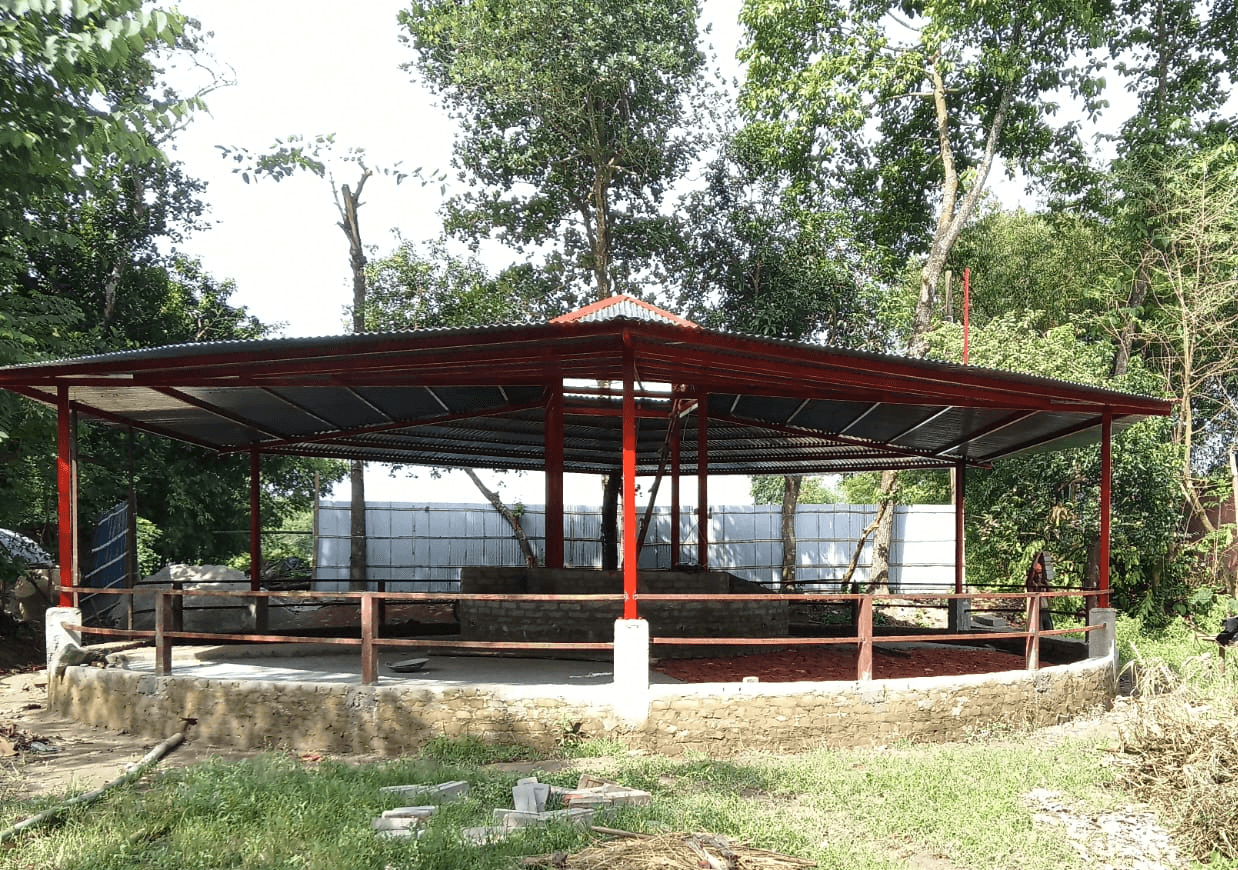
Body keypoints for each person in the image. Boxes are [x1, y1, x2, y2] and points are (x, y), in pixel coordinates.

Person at [1025, 551, 1054, 631]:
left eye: (1041, 574)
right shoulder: (1031, 583)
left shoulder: (1044, 583)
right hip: (1037, 610)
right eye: (1037, 574)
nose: (1039, 576)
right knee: (1039, 630)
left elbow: (1052, 594)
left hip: (1045, 609)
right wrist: (1037, 557)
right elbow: (1032, 571)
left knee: (1049, 629)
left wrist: (1046, 584)